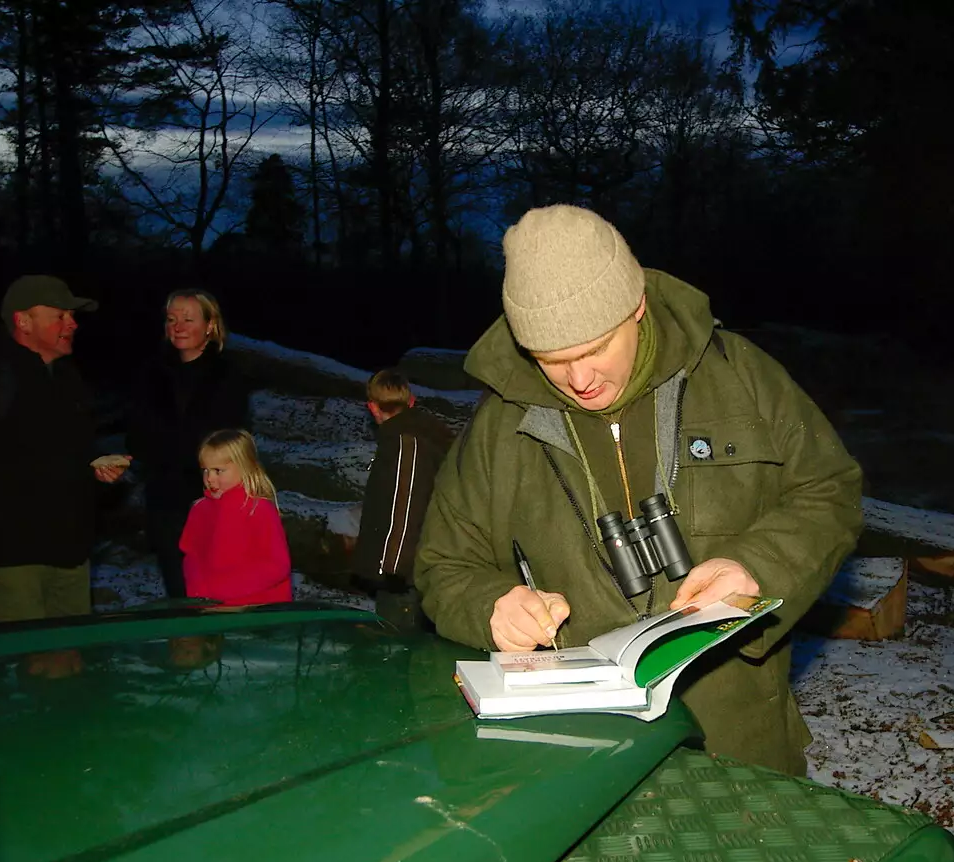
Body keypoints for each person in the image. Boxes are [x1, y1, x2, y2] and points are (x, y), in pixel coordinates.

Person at [416, 205, 863, 775]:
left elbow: (830, 489)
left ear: (638, 307)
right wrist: (492, 607)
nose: (580, 380)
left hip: (737, 740)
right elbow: (444, 563)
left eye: (595, 349)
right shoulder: (499, 426)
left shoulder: (741, 377)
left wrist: (759, 566)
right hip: (575, 752)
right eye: (552, 360)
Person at [0, 274, 127, 625]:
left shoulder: (69, 380)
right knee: (33, 666)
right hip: (11, 562)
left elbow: (67, 461)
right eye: (60, 315)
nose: (73, 324)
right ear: (23, 321)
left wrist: (98, 476)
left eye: (72, 316)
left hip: (71, 559)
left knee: (73, 662)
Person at [127, 288, 250, 599]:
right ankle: (182, 645)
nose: (178, 326)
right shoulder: (150, 373)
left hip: (213, 499)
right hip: (166, 500)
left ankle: (210, 646)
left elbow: (233, 440)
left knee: (212, 593)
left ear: (210, 325)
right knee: (178, 592)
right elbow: (137, 434)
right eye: (171, 319)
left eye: (188, 319)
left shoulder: (228, 375)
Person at [350, 369, 454, 632]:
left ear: (372, 407)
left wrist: (392, 571)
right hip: (412, 567)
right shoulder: (408, 438)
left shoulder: (407, 443)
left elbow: (406, 508)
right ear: (411, 401)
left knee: (396, 647)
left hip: (405, 575)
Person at [179, 429, 292, 605]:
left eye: (218, 470)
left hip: (258, 612)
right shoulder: (199, 509)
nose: (209, 478)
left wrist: (222, 590)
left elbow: (276, 566)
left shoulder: (258, 509)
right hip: (211, 610)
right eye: (205, 470)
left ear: (245, 467)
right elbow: (191, 555)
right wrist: (198, 592)